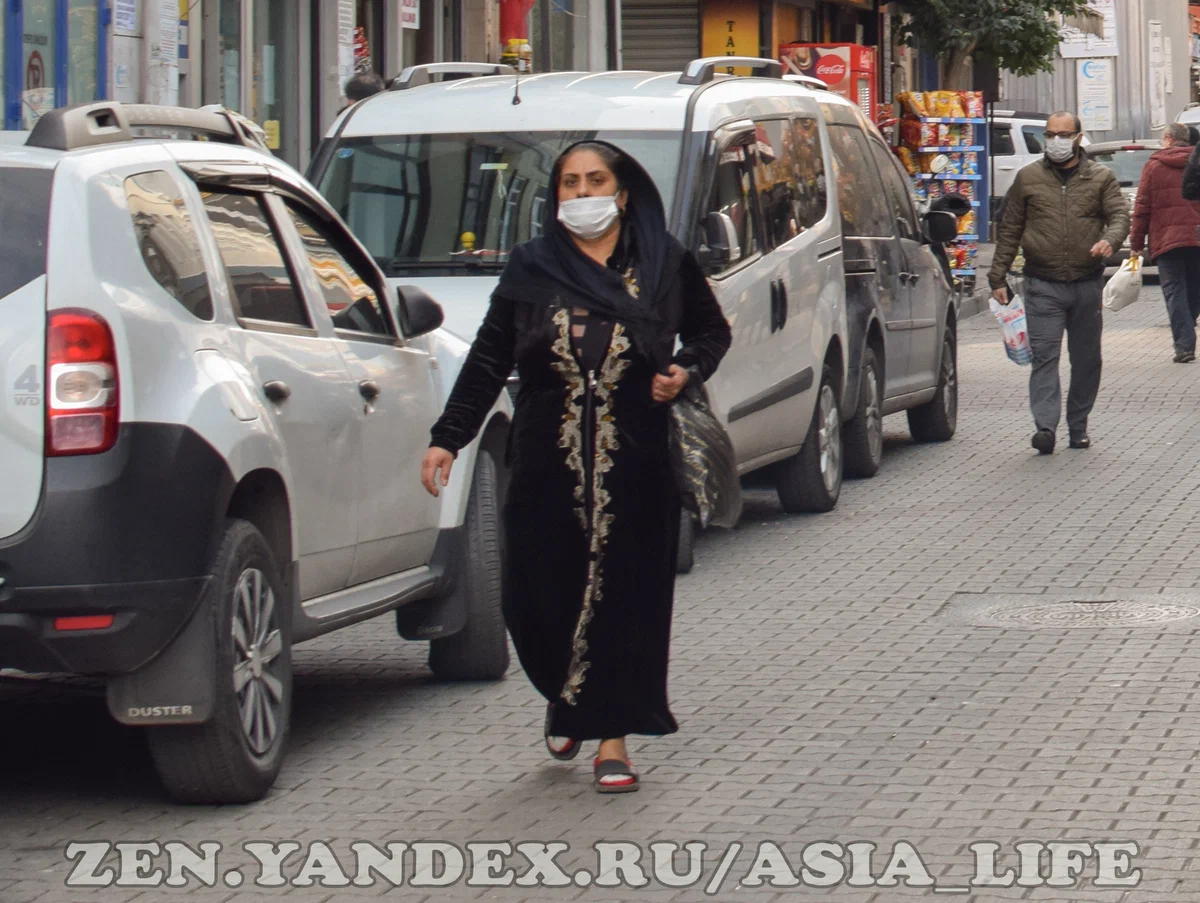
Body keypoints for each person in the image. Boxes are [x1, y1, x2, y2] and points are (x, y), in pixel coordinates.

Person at [420, 142, 731, 793]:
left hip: (637, 464)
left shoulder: (662, 263)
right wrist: (449, 437)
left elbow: (710, 332)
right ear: (556, 196)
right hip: (543, 465)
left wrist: (684, 371)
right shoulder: (533, 266)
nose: (582, 193)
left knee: (626, 600)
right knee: (536, 595)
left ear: (621, 194)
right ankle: (567, 694)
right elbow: (487, 358)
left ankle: (611, 735)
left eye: (595, 181)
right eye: (570, 183)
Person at [988, 111, 1130, 455]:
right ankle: (1045, 428)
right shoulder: (1028, 178)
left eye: (1064, 134)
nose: (1056, 141)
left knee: (1086, 359)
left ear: (1078, 137)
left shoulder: (1101, 177)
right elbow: (1010, 228)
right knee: (1044, 357)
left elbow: (1119, 216)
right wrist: (997, 275)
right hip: (1042, 283)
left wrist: (1109, 240)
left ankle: (1078, 426)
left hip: (1085, 283)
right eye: (1051, 134)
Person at [1130, 123, 1200, 363]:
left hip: (1167, 239)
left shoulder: (1154, 166)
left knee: (1175, 292)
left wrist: (1136, 243)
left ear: (1168, 139)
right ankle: (1186, 331)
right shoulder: (1198, 162)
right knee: (1195, 289)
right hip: (1197, 237)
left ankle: (1184, 345)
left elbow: (1142, 208)